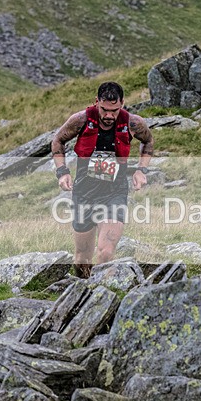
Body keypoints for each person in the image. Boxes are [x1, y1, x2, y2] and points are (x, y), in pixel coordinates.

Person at [51, 81, 154, 278]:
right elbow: (58, 140)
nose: (109, 115)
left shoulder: (133, 123)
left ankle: (101, 296)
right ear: (96, 102)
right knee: (83, 256)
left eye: (114, 110)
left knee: (105, 252)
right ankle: (81, 293)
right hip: (84, 191)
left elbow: (148, 141)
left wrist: (142, 170)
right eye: (104, 109)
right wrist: (62, 172)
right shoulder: (80, 120)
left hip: (114, 192)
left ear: (122, 103)